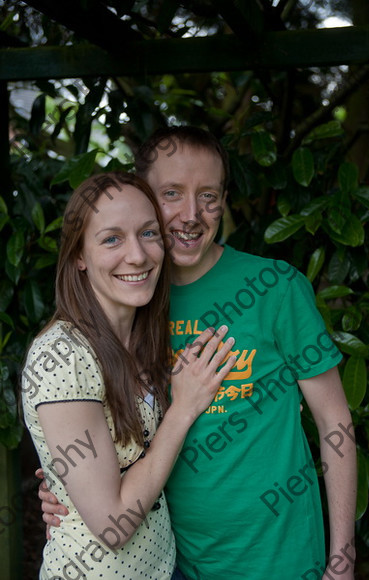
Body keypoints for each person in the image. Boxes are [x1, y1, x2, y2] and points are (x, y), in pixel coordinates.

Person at [38, 128, 357, 579]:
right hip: (174, 562)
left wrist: (342, 558)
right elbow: (104, 436)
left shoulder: (276, 287)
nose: (191, 215)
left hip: (280, 559)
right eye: (172, 194)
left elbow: (335, 422)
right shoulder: (133, 300)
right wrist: (64, 489)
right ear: (145, 198)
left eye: (208, 195)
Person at [22, 170, 237, 579]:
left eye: (149, 233)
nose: (137, 255)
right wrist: (184, 407)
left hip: (163, 567)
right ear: (79, 256)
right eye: (112, 238)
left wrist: (62, 479)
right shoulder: (63, 355)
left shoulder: (142, 339)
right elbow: (113, 525)